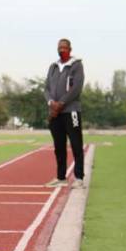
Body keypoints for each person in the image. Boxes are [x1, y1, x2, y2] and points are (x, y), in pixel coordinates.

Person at [44, 38, 85, 188]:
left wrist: (61, 103)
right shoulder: (53, 67)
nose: (61, 50)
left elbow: (76, 88)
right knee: (59, 146)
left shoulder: (76, 65)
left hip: (71, 111)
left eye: (64, 47)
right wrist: (51, 102)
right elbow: (46, 88)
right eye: (59, 47)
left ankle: (79, 178)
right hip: (55, 113)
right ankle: (61, 177)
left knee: (76, 144)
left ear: (70, 49)